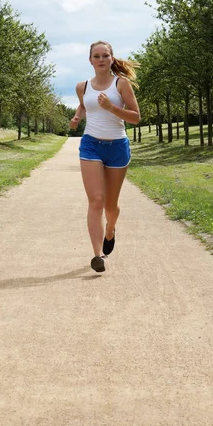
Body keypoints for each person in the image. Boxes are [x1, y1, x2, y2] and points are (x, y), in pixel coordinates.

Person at [69, 40, 141, 273]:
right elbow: (84, 105)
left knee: (110, 205)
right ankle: (97, 254)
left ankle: (110, 229)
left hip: (117, 146)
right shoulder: (83, 86)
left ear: (112, 58)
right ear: (90, 60)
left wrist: (111, 107)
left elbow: (135, 117)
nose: (101, 59)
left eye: (105, 55)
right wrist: (77, 117)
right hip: (91, 145)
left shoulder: (121, 85)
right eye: (96, 56)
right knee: (96, 201)